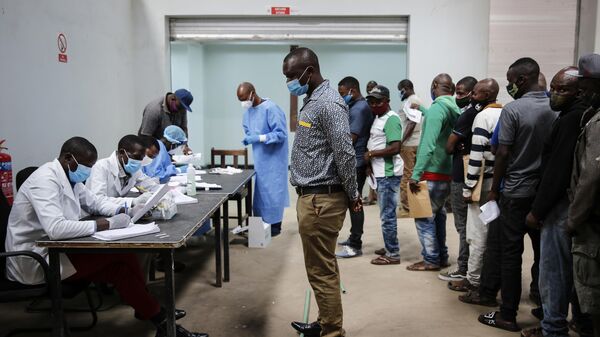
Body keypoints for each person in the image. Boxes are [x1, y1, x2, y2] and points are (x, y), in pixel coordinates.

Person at [4, 137, 207, 337]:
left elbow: (95, 203)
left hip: (57, 249)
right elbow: (56, 229)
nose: (89, 172)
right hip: (35, 259)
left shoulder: (70, 177)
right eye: (86, 166)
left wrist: (125, 209)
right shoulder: (44, 181)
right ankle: (159, 317)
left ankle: (155, 315)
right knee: (116, 259)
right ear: (68, 158)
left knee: (122, 259)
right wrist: (105, 224)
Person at [283, 47, 361, 337]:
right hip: (313, 196)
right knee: (322, 267)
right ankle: (326, 321)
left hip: (321, 199)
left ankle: (331, 332)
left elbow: (344, 152)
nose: (289, 82)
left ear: (310, 71)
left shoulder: (328, 103)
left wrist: (353, 195)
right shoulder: (313, 100)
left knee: (321, 270)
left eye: (292, 75)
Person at [478, 57, 556, 332]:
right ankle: (547, 309)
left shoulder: (513, 110)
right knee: (543, 254)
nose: (509, 85)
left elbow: (502, 153)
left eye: (511, 80)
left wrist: (494, 192)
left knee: (510, 254)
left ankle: (507, 315)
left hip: (514, 192)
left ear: (522, 80)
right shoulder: (556, 107)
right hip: (544, 195)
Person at [520, 66, 594, 337]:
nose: (555, 94)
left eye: (563, 89)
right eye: (554, 87)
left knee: (554, 271)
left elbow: (557, 171)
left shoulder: (570, 120)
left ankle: (553, 328)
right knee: (574, 271)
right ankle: (580, 323)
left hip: (559, 206)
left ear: (580, 92)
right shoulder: (582, 116)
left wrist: (537, 211)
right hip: (574, 206)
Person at [447, 79, 502, 293]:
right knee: (492, 234)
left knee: (476, 234)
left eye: (476, 94)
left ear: (487, 94)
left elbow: (476, 156)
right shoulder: (505, 112)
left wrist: (468, 187)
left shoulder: (482, 116)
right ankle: (490, 278)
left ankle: (474, 280)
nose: (472, 97)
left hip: (481, 182)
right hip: (498, 181)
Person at [406, 73, 460, 272]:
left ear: (435, 85)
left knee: (423, 218)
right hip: (446, 172)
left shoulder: (438, 109)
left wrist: (415, 174)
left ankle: (430, 259)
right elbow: (441, 127)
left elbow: (428, 145)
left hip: (431, 172)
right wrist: (423, 110)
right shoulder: (453, 108)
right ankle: (441, 256)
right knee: (438, 216)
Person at [566, 53, 600, 337]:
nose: (581, 92)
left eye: (585, 87)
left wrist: (573, 218)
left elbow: (591, 176)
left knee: (592, 295)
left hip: (593, 222)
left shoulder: (598, 123)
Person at [237, 82, 289, 237]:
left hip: (274, 160)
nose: (243, 103)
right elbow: (248, 129)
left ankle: (275, 226)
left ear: (253, 93)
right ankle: (262, 224)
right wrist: (249, 137)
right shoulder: (248, 111)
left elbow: (281, 134)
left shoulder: (271, 108)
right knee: (261, 193)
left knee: (273, 193)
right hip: (260, 160)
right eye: (240, 100)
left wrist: (258, 137)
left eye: (245, 98)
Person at [439, 76, 478, 283]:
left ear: (473, 93)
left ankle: (463, 267)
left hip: (461, 176)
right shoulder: (476, 113)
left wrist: (456, 144)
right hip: (470, 173)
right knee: (468, 225)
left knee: (462, 225)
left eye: (462, 93)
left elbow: (449, 146)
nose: (457, 96)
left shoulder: (468, 115)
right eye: (457, 92)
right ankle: (469, 266)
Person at [364, 85, 404, 265]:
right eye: (371, 101)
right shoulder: (377, 117)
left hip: (388, 173)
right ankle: (390, 245)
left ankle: (393, 254)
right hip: (380, 172)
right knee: (385, 213)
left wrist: (371, 155)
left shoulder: (391, 119)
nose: (374, 104)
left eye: (378, 101)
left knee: (387, 215)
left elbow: (396, 148)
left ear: (387, 101)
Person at [336, 76, 373, 258]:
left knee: (355, 202)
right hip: (355, 160)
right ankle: (353, 238)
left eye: (342, 93)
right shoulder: (355, 106)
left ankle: (355, 244)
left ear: (352, 91)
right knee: (353, 202)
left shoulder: (359, 109)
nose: (341, 97)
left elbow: (351, 138)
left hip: (356, 162)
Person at [87, 134, 158, 202]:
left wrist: (165, 195)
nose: (139, 161)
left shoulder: (135, 170)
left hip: (113, 211)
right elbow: (98, 200)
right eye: (136, 157)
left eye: (141, 158)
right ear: (121, 152)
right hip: (91, 213)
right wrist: (132, 201)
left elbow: (151, 186)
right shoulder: (101, 167)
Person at [397, 79, 423, 217]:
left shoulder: (414, 101)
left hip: (409, 144)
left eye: (400, 90)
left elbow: (412, 123)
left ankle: (406, 208)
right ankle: (411, 206)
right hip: (411, 143)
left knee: (407, 175)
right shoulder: (410, 101)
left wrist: (401, 141)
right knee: (411, 174)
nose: (399, 93)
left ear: (406, 88)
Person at [139, 89, 194, 155]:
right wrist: (156, 155)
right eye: (180, 107)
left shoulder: (181, 109)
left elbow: (183, 128)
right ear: (173, 98)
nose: (181, 111)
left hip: (168, 150)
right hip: (152, 150)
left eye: (183, 108)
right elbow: (145, 137)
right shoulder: (154, 110)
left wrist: (185, 146)